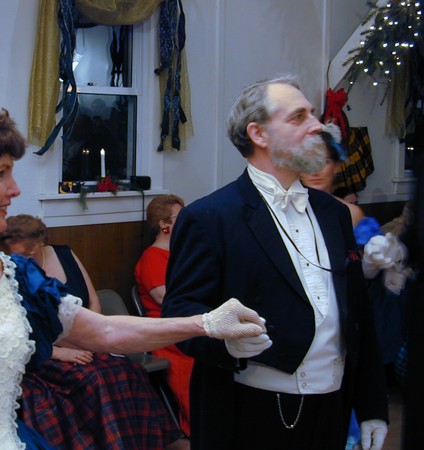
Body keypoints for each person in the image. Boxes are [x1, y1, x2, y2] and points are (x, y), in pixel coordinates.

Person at [0, 100, 267, 450]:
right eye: (1, 174)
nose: (15, 190)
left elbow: (107, 331)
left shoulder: (15, 275)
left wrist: (205, 324)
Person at [161, 76, 389, 450]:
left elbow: (357, 313)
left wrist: (372, 405)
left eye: (313, 115)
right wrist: (227, 345)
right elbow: (180, 314)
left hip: (333, 405)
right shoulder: (210, 217)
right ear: (259, 133)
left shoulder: (334, 213)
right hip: (247, 408)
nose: (318, 126)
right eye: (299, 117)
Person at [0, 214, 182, 449]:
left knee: (127, 371)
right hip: (46, 351)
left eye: (28, 252)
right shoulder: (6, 270)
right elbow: (14, 330)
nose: (22, 259)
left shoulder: (65, 254)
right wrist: (57, 351)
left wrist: (90, 338)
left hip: (85, 338)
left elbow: (93, 300)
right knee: (93, 379)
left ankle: (145, 443)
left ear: (40, 242)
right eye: (17, 254)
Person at [135, 194, 194, 438]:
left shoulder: (182, 253)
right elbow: (167, 300)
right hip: (166, 331)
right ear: (163, 224)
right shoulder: (152, 257)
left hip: (187, 323)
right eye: (180, 217)